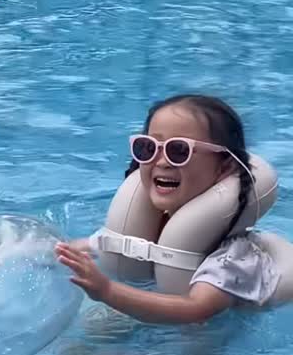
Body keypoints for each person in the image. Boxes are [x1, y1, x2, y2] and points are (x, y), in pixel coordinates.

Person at [56, 94, 280, 325]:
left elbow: (196, 309)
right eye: (148, 148)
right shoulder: (148, 226)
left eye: (179, 150)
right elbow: (93, 246)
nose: (162, 162)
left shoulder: (234, 254)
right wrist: (50, 252)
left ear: (224, 166)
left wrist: (108, 291)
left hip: (199, 340)